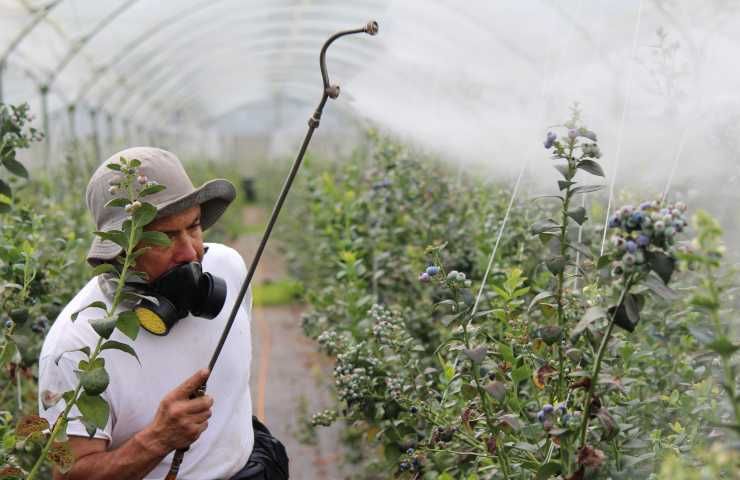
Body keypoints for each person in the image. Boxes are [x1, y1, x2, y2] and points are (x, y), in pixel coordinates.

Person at [37, 147, 288, 479]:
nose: (190, 252)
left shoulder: (228, 268)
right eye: (166, 237)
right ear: (120, 249)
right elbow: (70, 474)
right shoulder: (76, 346)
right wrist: (156, 440)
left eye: (194, 226)